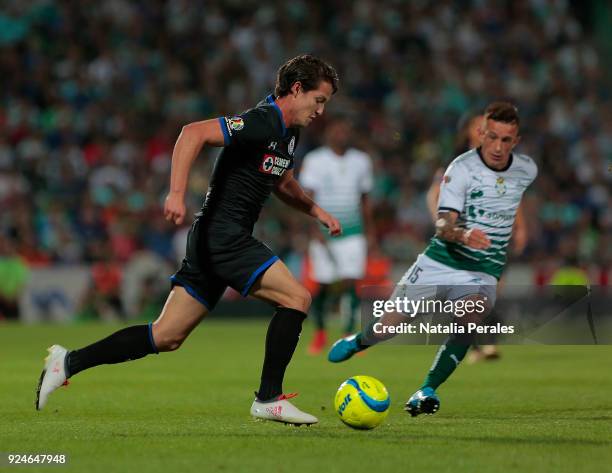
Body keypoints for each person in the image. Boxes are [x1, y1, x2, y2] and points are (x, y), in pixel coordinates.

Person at [36, 55, 341, 426]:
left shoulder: (289, 131)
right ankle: (268, 398)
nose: (321, 111)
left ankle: (67, 362)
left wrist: (315, 211)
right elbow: (192, 133)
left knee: (166, 336)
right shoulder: (263, 120)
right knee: (298, 298)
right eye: (319, 100)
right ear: (297, 90)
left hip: (214, 238)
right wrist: (176, 193)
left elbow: (281, 181)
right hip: (222, 235)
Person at [328, 102, 537, 416]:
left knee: (469, 320)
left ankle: (426, 389)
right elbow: (442, 223)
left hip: (482, 270)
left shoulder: (525, 169)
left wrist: (519, 225)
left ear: (516, 141)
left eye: (506, 140)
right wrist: (464, 235)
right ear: (481, 133)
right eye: (491, 137)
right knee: (389, 327)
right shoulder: (460, 169)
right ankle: (360, 340)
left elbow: (510, 195)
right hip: (440, 262)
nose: (497, 146)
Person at [425, 111, 529, 362]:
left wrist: (521, 227)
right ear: (467, 132)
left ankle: (477, 344)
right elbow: (433, 195)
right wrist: (444, 225)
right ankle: (481, 345)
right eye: (478, 126)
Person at [299, 116, 375, 354]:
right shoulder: (315, 160)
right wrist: (313, 229)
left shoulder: (361, 160)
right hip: (323, 231)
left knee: (351, 282)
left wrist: (370, 231)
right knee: (322, 284)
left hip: (353, 231)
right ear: (327, 133)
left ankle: (347, 335)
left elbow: (364, 200)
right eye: (337, 130)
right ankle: (320, 332)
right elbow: (306, 197)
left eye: (345, 130)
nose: (342, 134)